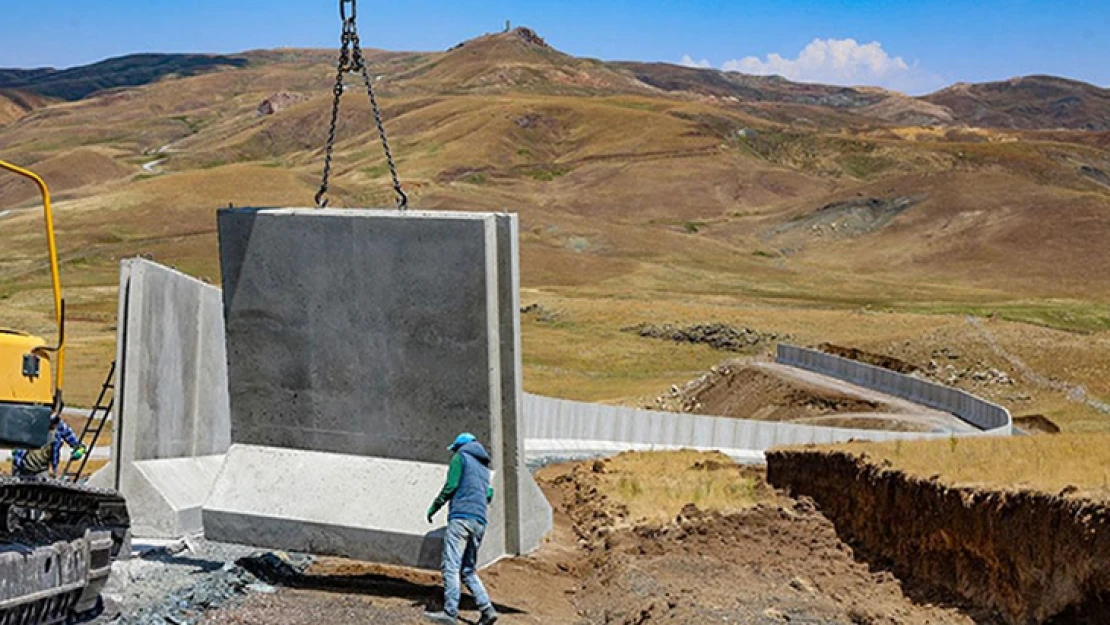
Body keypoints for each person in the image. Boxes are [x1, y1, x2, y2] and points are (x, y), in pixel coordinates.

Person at [424, 433, 498, 625]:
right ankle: (487, 609)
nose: (454, 452)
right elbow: (488, 494)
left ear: (460, 447)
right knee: (468, 570)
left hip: (461, 518)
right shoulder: (483, 467)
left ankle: (450, 613)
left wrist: (435, 506)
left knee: (451, 565)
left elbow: (451, 485)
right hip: (479, 522)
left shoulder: (460, 457)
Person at [12, 415, 86, 479]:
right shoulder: (32, 423)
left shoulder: (58, 427)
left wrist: (79, 449)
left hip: (42, 469)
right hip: (23, 467)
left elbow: (70, 436)